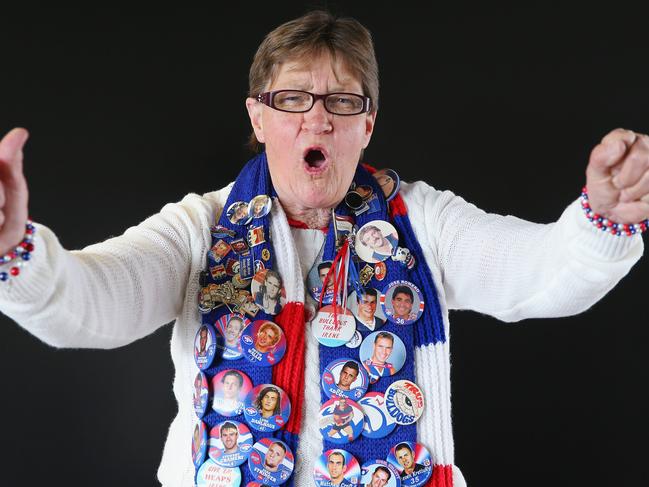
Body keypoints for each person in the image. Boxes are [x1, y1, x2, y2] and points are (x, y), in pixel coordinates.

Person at [1, 10, 646, 487]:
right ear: (258, 119)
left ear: (366, 124)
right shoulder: (200, 227)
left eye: (341, 100)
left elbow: (538, 274)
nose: (318, 119)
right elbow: (94, 301)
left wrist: (602, 222)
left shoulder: (422, 220)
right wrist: (15, 254)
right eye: (293, 99)